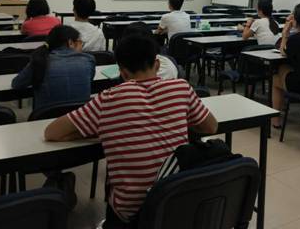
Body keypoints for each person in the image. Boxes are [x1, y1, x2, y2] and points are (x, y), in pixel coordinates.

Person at [44, 34, 218, 227]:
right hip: (175, 201)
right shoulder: (181, 88)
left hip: (133, 214)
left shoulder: (108, 99)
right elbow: (211, 126)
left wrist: (100, 128)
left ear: (123, 73)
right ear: (157, 64)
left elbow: (52, 132)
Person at [12, 25, 95, 110]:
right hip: (79, 115)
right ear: (70, 43)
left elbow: (16, 84)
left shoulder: (40, 61)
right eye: (80, 42)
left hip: (46, 116)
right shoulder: (88, 60)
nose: (82, 46)